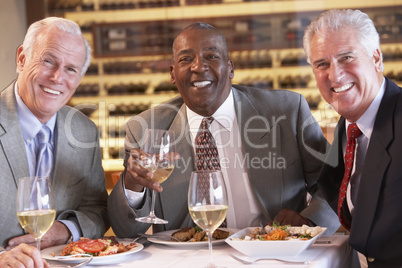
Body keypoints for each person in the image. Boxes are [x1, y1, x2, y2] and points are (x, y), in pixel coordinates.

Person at [108, 22, 339, 237]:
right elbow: (125, 229)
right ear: (172, 74)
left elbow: (335, 184)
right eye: (186, 59)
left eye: (211, 56)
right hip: (189, 259)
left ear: (230, 68)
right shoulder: (145, 129)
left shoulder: (287, 111)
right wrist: (133, 184)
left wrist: (309, 223)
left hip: (273, 252)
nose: (198, 66)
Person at [0, 17, 109, 266]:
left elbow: (98, 209)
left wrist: (65, 229)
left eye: (71, 69)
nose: (58, 77)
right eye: (48, 61)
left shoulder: (84, 131)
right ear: (22, 59)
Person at [303, 9, 402, 267]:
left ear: (376, 58)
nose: (335, 75)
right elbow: (334, 187)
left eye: (346, 57)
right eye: (322, 64)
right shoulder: (348, 124)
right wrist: (306, 221)